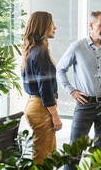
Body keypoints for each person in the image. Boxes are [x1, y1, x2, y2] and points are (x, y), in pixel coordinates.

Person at [57, 10, 101, 170]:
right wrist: (71, 91)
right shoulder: (77, 47)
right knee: (75, 147)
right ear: (91, 25)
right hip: (85, 103)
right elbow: (60, 69)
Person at [21, 11, 62, 164]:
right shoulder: (41, 52)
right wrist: (55, 115)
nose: (55, 27)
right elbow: (45, 88)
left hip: (34, 104)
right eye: (52, 24)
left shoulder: (31, 50)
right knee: (43, 156)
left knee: (45, 153)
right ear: (43, 26)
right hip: (41, 108)